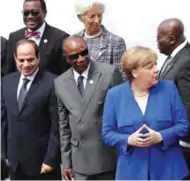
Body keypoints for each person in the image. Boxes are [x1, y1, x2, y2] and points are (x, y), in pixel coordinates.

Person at [102, 46, 190, 180]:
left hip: (168, 171)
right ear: (135, 72)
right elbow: (107, 134)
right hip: (131, 173)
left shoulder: (169, 89)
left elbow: (183, 125)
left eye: (156, 64)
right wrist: (127, 140)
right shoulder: (114, 95)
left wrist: (161, 136)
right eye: (150, 67)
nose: (156, 70)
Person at [55, 35, 123, 180]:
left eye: (84, 53)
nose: (81, 59)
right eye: (74, 56)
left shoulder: (109, 73)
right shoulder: (60, 83)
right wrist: (66, 161)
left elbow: (123, 114)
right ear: (66, 58)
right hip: (79, 161)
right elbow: (64, 126)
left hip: (106, 157)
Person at [1, 39, 61, 180]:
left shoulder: (53, 82)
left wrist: (50, 159)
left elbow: (57, 126)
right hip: (14, 164)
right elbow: (3, 121)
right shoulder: (7, 82)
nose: (26, 64)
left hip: (42, 165)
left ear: (38, 58)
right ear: (15, 58)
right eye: (21, 60)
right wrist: (3, 155)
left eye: (30, 59)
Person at [157, 18, 190, 180]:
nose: (156, 42)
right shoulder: (175, 56)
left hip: (183, 143)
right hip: (173, 139)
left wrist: (186, 141)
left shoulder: (187, 61)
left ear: (171, 39)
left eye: (159, 38)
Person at [5, 0, 70, 75]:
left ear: (45, 13)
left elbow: (65, 74)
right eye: (26, 13)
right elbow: (9, 71)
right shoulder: (14, 37)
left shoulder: (60, 38)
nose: (30, 16)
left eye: (34, 13)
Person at [75, 0, 126, 78]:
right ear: (80, 18)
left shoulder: (115, 42)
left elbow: (121, 77)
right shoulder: (74, 41)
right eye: (92, 16)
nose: (97, 20)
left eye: (99, 15)